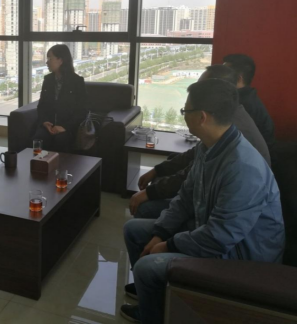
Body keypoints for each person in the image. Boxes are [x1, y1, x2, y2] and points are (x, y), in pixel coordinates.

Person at [120, 79, 285, 324]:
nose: (184, 116)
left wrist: (168, 245)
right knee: (134, 230)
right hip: (211, 230)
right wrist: (160, 233)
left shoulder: (243, 167)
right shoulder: (210, 147)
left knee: (148, 266)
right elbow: (185, 197)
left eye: (185, 111)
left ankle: (152, 314)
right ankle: (154, 298)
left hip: (241, 255)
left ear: (202, 117)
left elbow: (220, 237)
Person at [130, 65, 271, 220]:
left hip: (223, 212)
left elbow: (223, 227)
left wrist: (150, 193)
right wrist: (157, 170)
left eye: (202, 86)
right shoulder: (224, 120)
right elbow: (195, 157)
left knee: (145, 211)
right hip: (211, 200)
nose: (196, 90)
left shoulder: (233, 134)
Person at [33, 44, 88, 153]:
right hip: (49, 126)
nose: (47, 62)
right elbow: (41, 106)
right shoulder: (48, 80)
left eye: (50, 58)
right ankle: (38, 163)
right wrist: (45, 122)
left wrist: (64, 127)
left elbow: (82, 110)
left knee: (61, 140)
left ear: (61, 60)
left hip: (68, 128)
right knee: (38, 138)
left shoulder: (77, 81)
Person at [223, 54, 275, 149]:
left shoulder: (243, 105)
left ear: (239, 79)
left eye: (223, 74)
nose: (219, 77)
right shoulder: (247, 97)